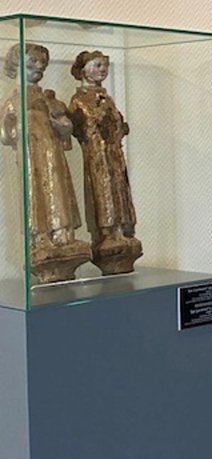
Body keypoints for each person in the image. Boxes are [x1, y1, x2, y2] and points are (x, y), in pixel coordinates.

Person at [1, 43, 91, 283]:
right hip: (31, 153)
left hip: (53, 152)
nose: (39, 67)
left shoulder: (49, 98)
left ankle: (63, 234)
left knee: (59, 189)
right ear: (17, 64)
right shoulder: (13, 101)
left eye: (42, 63)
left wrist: (63, 125)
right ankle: (40, 237)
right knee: (34, 192)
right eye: (32, 62)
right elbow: (5, 135)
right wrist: (14, 126)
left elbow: (66, 128)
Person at [68, 50, 143, 273]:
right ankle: (107, 232)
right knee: (103, 190)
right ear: (83, 70)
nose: (103, 70)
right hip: (97, 154)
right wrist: (99, 114)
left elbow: (117, 123)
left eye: (105, 66)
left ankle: (122, 230)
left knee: (120, 190)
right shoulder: (79, 99)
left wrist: (120, 127)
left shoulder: (106, 97)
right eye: (97, 65)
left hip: (113, 153)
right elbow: (81, 128)